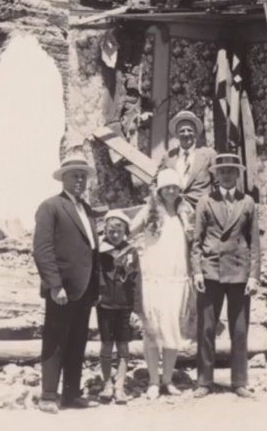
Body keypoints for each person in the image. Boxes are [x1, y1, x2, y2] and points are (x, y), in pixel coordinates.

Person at [32, 154, 102, 414]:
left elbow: (90, 250)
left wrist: (95, 288)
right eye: (75, 175)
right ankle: (49, 395)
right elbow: (42, 250)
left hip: (84, 290)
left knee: (77, 341)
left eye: (83, 176)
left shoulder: (87, 210)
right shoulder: (51, 207)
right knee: (55, 340)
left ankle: (72, 393)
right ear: (63, 178)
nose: (80, 180)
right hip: (62, 289)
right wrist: (55, 284)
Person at [190, 153, 261, 399]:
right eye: (222, 172)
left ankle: (239, 381)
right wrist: (197, 271)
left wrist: (254, 275)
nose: (226, 175)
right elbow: (196, 242)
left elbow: (254, 243)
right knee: (206, 328)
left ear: (238, 174)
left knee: (240, 330)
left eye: (231, 171)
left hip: (240, 273)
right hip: (210, 272)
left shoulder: (248, 202)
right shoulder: (205, 201)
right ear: (216, 175)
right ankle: (204, 381)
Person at [127, 168, 195, 400]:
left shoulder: (185, 212)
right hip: (153, 280)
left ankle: (168, 380)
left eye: (175, 187)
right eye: (167, 187)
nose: (171, 191)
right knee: (153, 331)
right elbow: (127, 231)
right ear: (159, 189)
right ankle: (153, 381)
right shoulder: (149, 211)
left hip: (178, 280)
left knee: (173, 330)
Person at [96, 210, 138, 405]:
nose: (115, 235)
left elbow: (137, 281)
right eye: (111, 231)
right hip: (104, 304)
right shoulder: (99, 250)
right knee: (106, 343)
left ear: (125, 231)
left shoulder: (131, 251)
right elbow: (94, 275)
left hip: (124, 305)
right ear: (105, 230)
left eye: (119, 231)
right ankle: (106, 384)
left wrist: (137, 309)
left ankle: (119, 387)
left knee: (123, 344)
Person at [160, 110, 216, 208]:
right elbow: (155, 183)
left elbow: (219, 184)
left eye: (190, 130)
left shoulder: (209, 154)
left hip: (202, 210)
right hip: (174, 210)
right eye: (182, 131)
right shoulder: (168, 156)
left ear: (195, 133)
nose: (186, 134)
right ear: (176, 134)